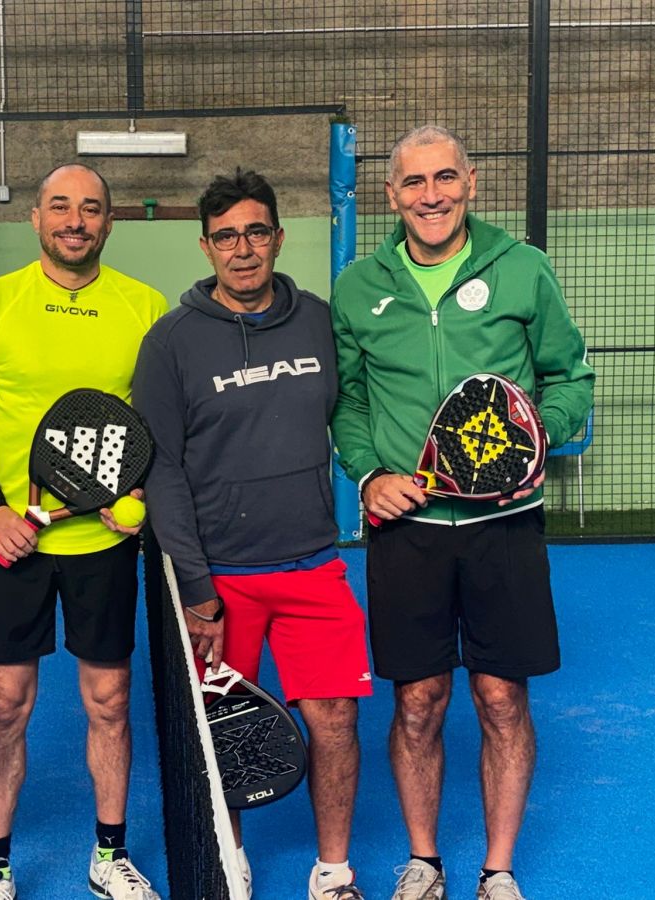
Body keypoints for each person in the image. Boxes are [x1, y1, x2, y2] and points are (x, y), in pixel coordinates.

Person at [331, 126, 594, 900]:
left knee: (501, 698)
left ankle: (497, 870)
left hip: (504, 527)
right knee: (418, 702)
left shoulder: (523, 268)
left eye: (445, 178)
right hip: (407, 531)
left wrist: (532, 437)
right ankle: (425, 863)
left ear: (471, 182)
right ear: (390, 195)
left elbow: (569, 377)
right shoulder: (358, 286)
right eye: (414, 182)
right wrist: (369, 473)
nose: (431, 195)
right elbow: (348, 402)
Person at [133, 169, 373, 900]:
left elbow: (351, 413)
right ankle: (231, 858)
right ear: (206, 247)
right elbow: (162, 468)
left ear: (278, 237)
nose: (243, 249)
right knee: (224, 731)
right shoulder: (170, 342)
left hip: (313, 567)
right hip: (222, 581)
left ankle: (333, 872)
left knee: (335, 719)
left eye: (256, 232)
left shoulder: (319, 322)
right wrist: (196, 589)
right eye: (227, 237)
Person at [0, 163, 167, 900]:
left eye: (90, 208)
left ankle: (110, 856)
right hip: (13, 543)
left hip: (102, 546)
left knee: (109, 702)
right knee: (5, 706)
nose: (74, 220)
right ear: (36, 218)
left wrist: (135, 492)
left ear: (109, 222)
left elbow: (153, 427)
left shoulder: (145, 307)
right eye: (60, 206)